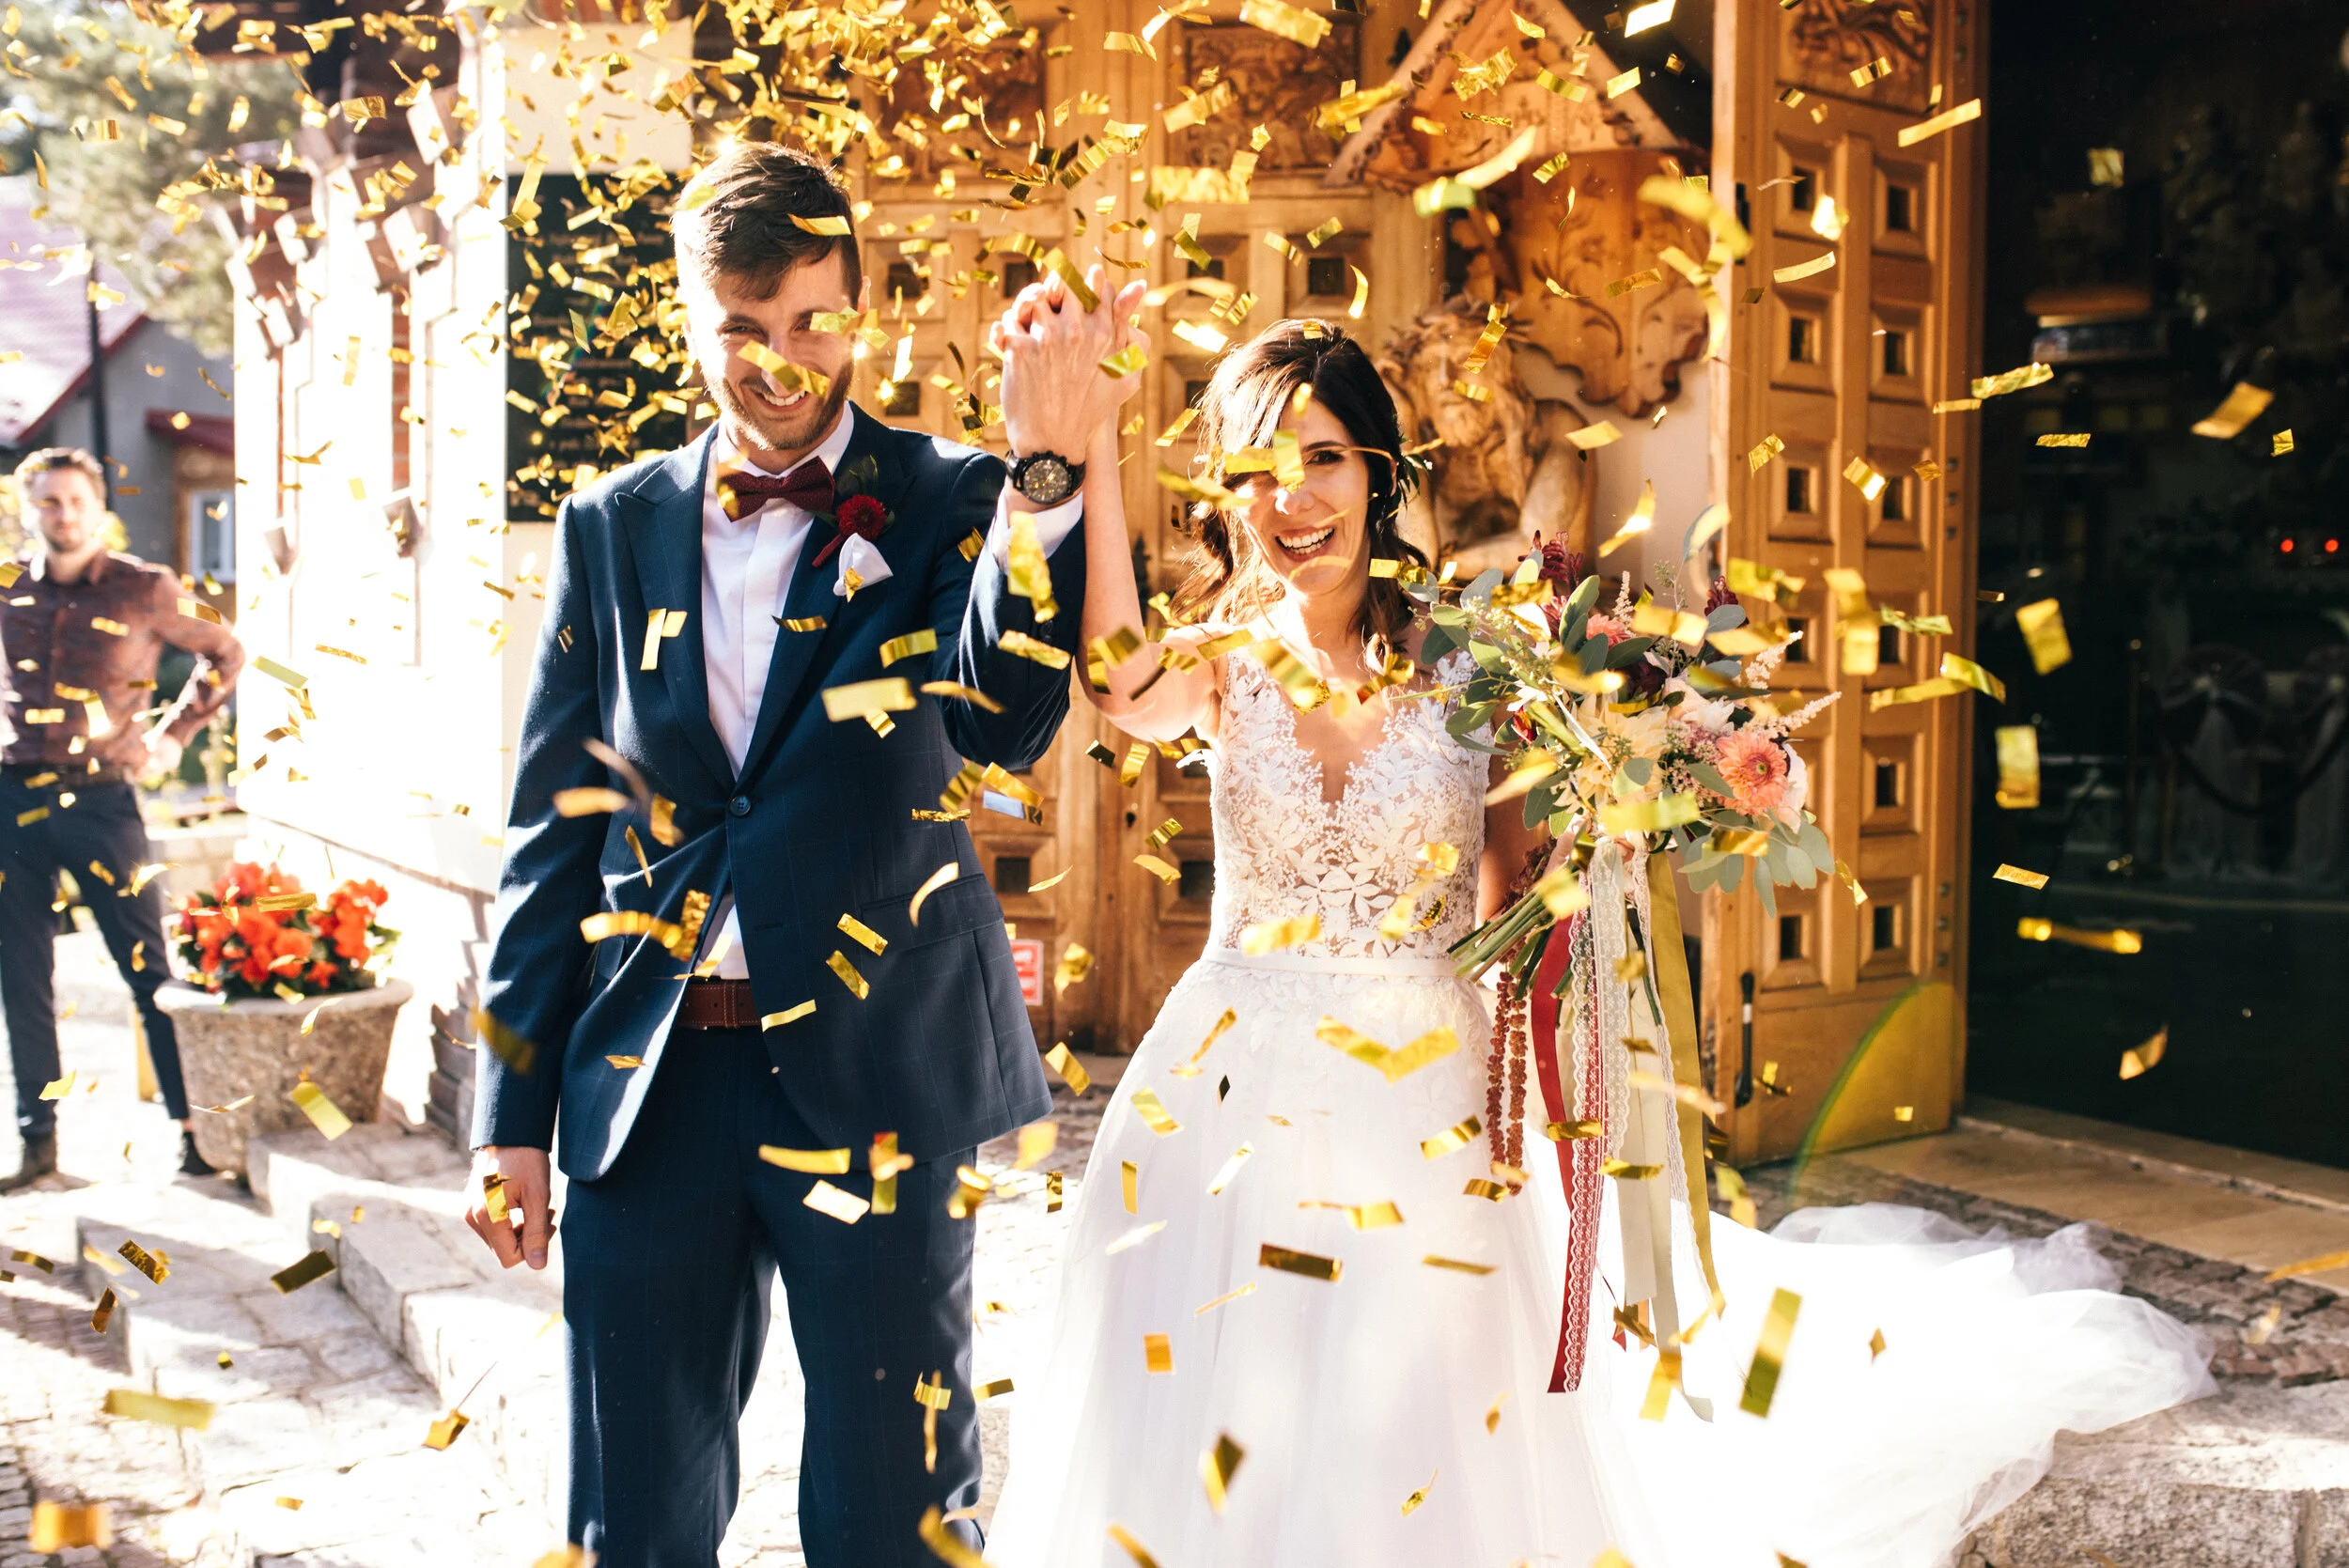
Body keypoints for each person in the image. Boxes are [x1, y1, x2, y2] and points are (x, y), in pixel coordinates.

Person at [985, 319, 2216, 1567]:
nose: (1290, 498)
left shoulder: (1478, 669)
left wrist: (1586, 1164)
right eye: (1254, 470)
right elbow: (1112, 678)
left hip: (1427, 1105)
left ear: (1380, 475)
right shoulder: (1221, 668)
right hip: (1226, 1093)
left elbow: (1528, 912)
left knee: (1418, 1418)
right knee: (1219, 1388)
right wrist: (1087, 440)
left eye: (1324, 459)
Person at [459, 141, 1142, 1567]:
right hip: (652, 1085)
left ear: (860, 310)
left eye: (814, 321)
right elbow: (553, 828)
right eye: (744, 328)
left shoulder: (963, 495)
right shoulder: (610, 525)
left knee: (891, 1519)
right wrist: (509, 1117)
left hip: (883, 1074)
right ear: (691, 320)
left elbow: (1008, 718)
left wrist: (1051, 476)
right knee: (633, 1519)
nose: (782, 362)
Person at [0, 446, 244, 1192]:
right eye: (48, 502)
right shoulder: (8, 585)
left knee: (147, 969)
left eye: (75, 500)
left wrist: (172, 736)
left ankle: (193, 1133)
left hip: (104, 799)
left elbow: (226, 652)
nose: (62, 515)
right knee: (21, 975)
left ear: (97, 507)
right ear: (27, 508)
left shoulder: (147, 587)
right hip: (12, 799)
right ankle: (37, 1143)